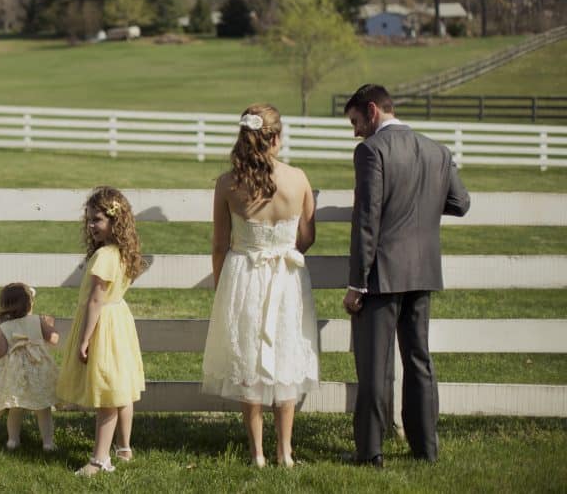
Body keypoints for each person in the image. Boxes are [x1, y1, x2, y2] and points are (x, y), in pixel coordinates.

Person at [343, 84, 470, 467]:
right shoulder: (438, 151)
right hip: (424, 270)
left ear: (372, 110)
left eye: (355, 121)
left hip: (381, 273)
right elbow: (460, 203)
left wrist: (356, 283)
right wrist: (423, 208)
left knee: (374, 365)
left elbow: (367, 219)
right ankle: (426, 448)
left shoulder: (371, 151)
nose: (355, 131)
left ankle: (370, 452)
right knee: (419, 360)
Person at [201, 103, 319, 468]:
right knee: (284, 354)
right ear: (277, 138)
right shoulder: (298, 179)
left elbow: (220, 245)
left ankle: (257, 454)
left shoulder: (227, 184)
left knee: (249, 360)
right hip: (286, 276)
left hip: (244, 275)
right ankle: (285, 451)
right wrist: (283, 248)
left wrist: (223, 286)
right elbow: (307, 236)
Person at [56, 186, 146, 476]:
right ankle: (124, 447)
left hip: (104, 325)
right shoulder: (122, 252)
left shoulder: (106, 255)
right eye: (89, 219)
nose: (91, 225)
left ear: (114, 221)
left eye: (97, 219)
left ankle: (99, 459)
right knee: (121, 389)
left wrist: (84, 337)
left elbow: (96, 299)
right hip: (119, 320)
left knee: (107, 393)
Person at [0, 282, 60, 452]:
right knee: (43, 408)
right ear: (30, 304)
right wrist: (50, 325)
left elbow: (0, 351)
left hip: (16, 374)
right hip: (38, 370)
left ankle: (13, 441)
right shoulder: (38, 320)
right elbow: (54, 339)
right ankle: (48, 443)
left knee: (15, 407)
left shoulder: (4, 327)